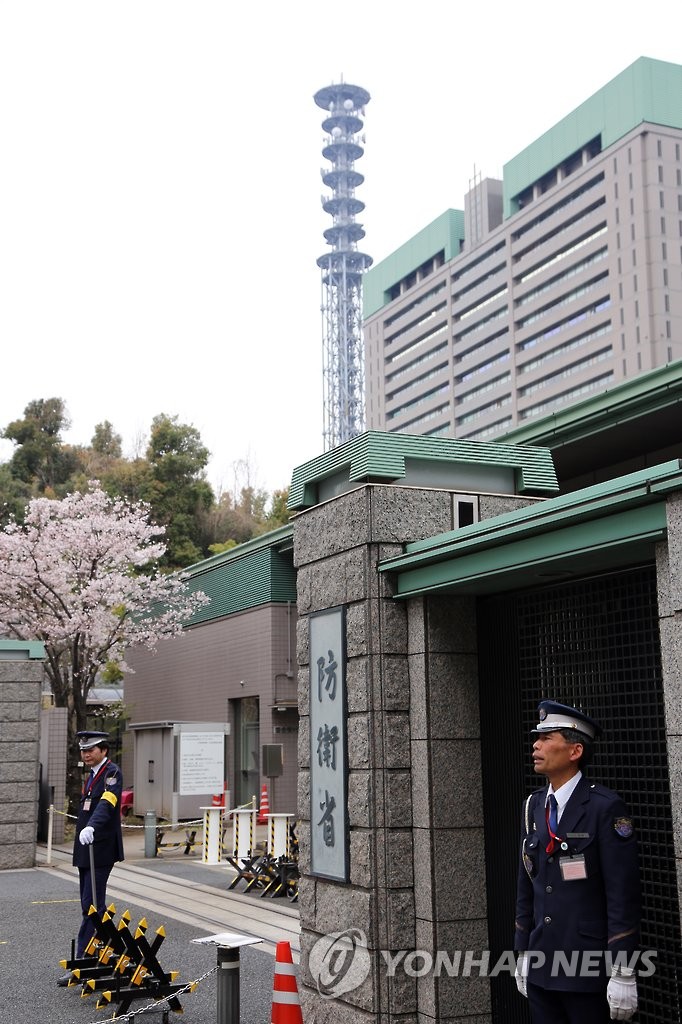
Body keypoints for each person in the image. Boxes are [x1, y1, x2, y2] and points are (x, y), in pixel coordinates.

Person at [514, 700, 641, 1023]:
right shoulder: (534, 805)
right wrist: (523, 950)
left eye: (547, 738)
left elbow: (621, 894)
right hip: (543, 966)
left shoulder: (603, 807)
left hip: (587, 971)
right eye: (536, 737)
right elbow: (527, 885)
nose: (536, 745)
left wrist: (623, 971)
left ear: (575, 751)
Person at [57, 730, 124, 986]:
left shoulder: (112, 773)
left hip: (100, 848)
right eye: (83, 751)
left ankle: (83, 963)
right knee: (91, 905)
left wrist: (92, 827)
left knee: (92, 906)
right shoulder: (92, 776)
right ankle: (98, 957)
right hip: (87, 849)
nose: (86, 754)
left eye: (91, 750)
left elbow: (107, 804)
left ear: (103, 750)